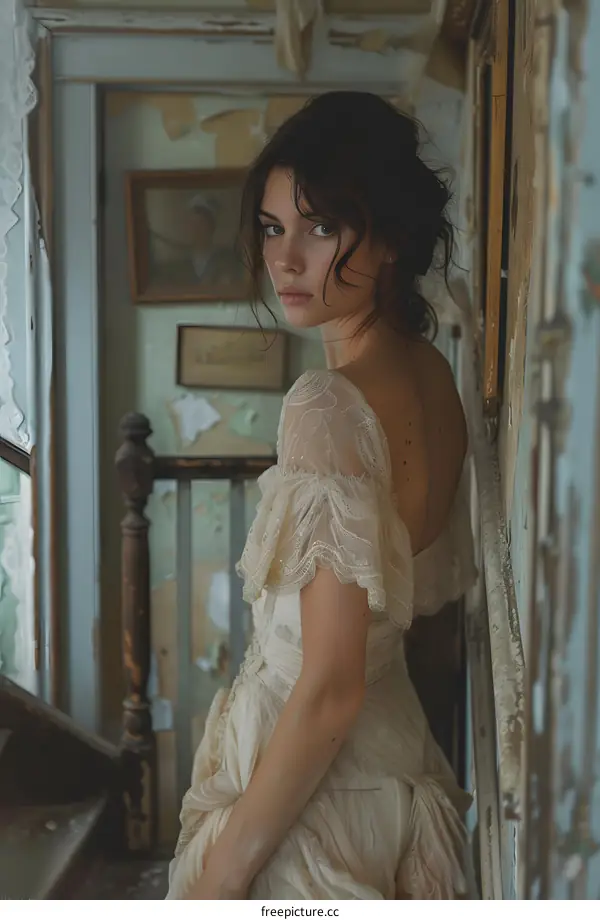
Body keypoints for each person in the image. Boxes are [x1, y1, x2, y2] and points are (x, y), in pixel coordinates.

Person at [166, 91, 478, 900]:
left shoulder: (326, 405)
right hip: (401, 772)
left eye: (321, 226)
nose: (286, 259)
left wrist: (217, 886)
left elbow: (332, 687)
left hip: (317, 807)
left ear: (395, 237)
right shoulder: (433, 376)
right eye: (274, 228)